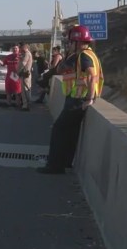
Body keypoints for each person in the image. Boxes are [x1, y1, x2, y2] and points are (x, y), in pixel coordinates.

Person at [37, 25, 103, 174]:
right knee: (71, 132)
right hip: (77, 99)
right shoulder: (90, 54)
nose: (69, 45)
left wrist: (89, 99)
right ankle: (66, 162)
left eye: (71, 42)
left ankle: (54, 166)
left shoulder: (83, 56)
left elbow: (92, 76)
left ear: (77, 42)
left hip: (78, 100)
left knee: (59, 130)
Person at [17, 42, 33, 111]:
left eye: (20, 47)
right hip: (24, 74)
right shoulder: (25, 54)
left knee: (25, 90)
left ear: (24, 47)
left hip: (25, 75)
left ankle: (26, 105)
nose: (20, 49)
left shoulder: (27, 54)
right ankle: (25, 104)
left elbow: (23, 63)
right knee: (25, 90)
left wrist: (17, 72)